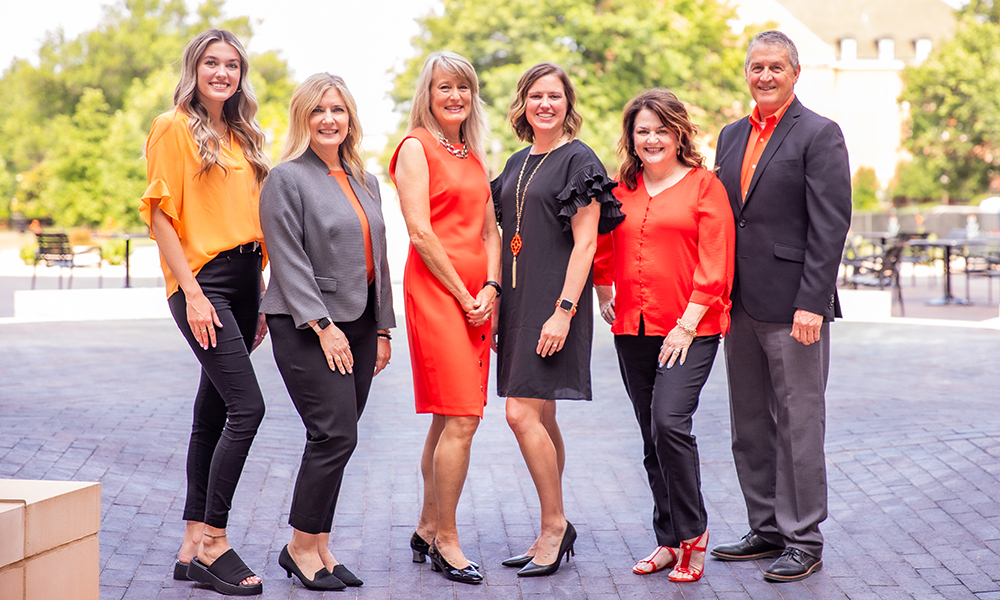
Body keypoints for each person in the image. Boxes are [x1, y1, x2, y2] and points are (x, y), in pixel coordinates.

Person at [710, 30, 851, 582]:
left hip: (796, 308)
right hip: (738, 304)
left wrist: (813, 302)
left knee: (798, 422)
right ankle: (765, 528)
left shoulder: (819, 133)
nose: (764, 76)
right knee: (749, 423)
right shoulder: (730, 135)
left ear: (794, 73)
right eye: (756, 67)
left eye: (775, 67)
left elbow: (830, 224)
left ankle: (803, 537)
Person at [140, 29, 270, 596]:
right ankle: (215, 541)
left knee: (213, 412)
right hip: (204, 282)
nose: (223, 72)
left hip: (245, 281)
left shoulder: (242, 135)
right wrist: (191, 292)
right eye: (212, 63)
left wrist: (263, 290)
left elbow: (252, 218)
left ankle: (191, 545)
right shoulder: (172, 127)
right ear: (194, 69)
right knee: (249, 406)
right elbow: (161, 216)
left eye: (232, 65)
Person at [259, 73, 394, 591]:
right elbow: (287, 260)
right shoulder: (286, 178)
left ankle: (319, 544)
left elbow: (379, 257)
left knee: (339, 438)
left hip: (360, 326)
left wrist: (382, 329)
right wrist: (322, 326)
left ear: (350, 117)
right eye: (318, 111)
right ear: (303, 118)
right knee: (333, 433)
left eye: (337, 109)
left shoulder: (365, 179)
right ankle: (299, 546)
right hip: (305, 325)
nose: (329, 119)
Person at [594, 88, 734, 582]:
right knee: (651, 435)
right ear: (631, 138)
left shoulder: (704, 186)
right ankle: (668, 540)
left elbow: (716, 263)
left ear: (678, 134)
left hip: (691, 328)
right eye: (642, 131)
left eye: (661, 130)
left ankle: (694, 535)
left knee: (670, 423)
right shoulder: (620, 187)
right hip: (632, 327)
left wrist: (686, 325)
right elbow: (604, 242)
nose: (651, 139)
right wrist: (602, 289)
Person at [491, 62, 622, 577]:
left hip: (555, 305)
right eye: (536, 96)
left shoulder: (579, 160)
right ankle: (550, 524)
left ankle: (554, 525)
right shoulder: (517, 160)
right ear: (523, 103)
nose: (545, 104)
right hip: (520, 305)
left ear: (569, 104)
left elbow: (587, 242)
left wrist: (564, 312)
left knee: (519, 415)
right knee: (541, 418)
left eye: (555, 96)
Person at [388, 51, 501, 585]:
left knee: (447, 416)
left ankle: (427, 526)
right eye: (443, 87)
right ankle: (447, 541)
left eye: (463, 87)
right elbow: (420, 233)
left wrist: (493, 288)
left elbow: (490, 233)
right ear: (427, 95)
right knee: (461, 415)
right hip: (438, 295)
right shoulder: (416, 147)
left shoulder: (474, 155)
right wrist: (463, 293)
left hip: (478, 297)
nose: (454, 96)